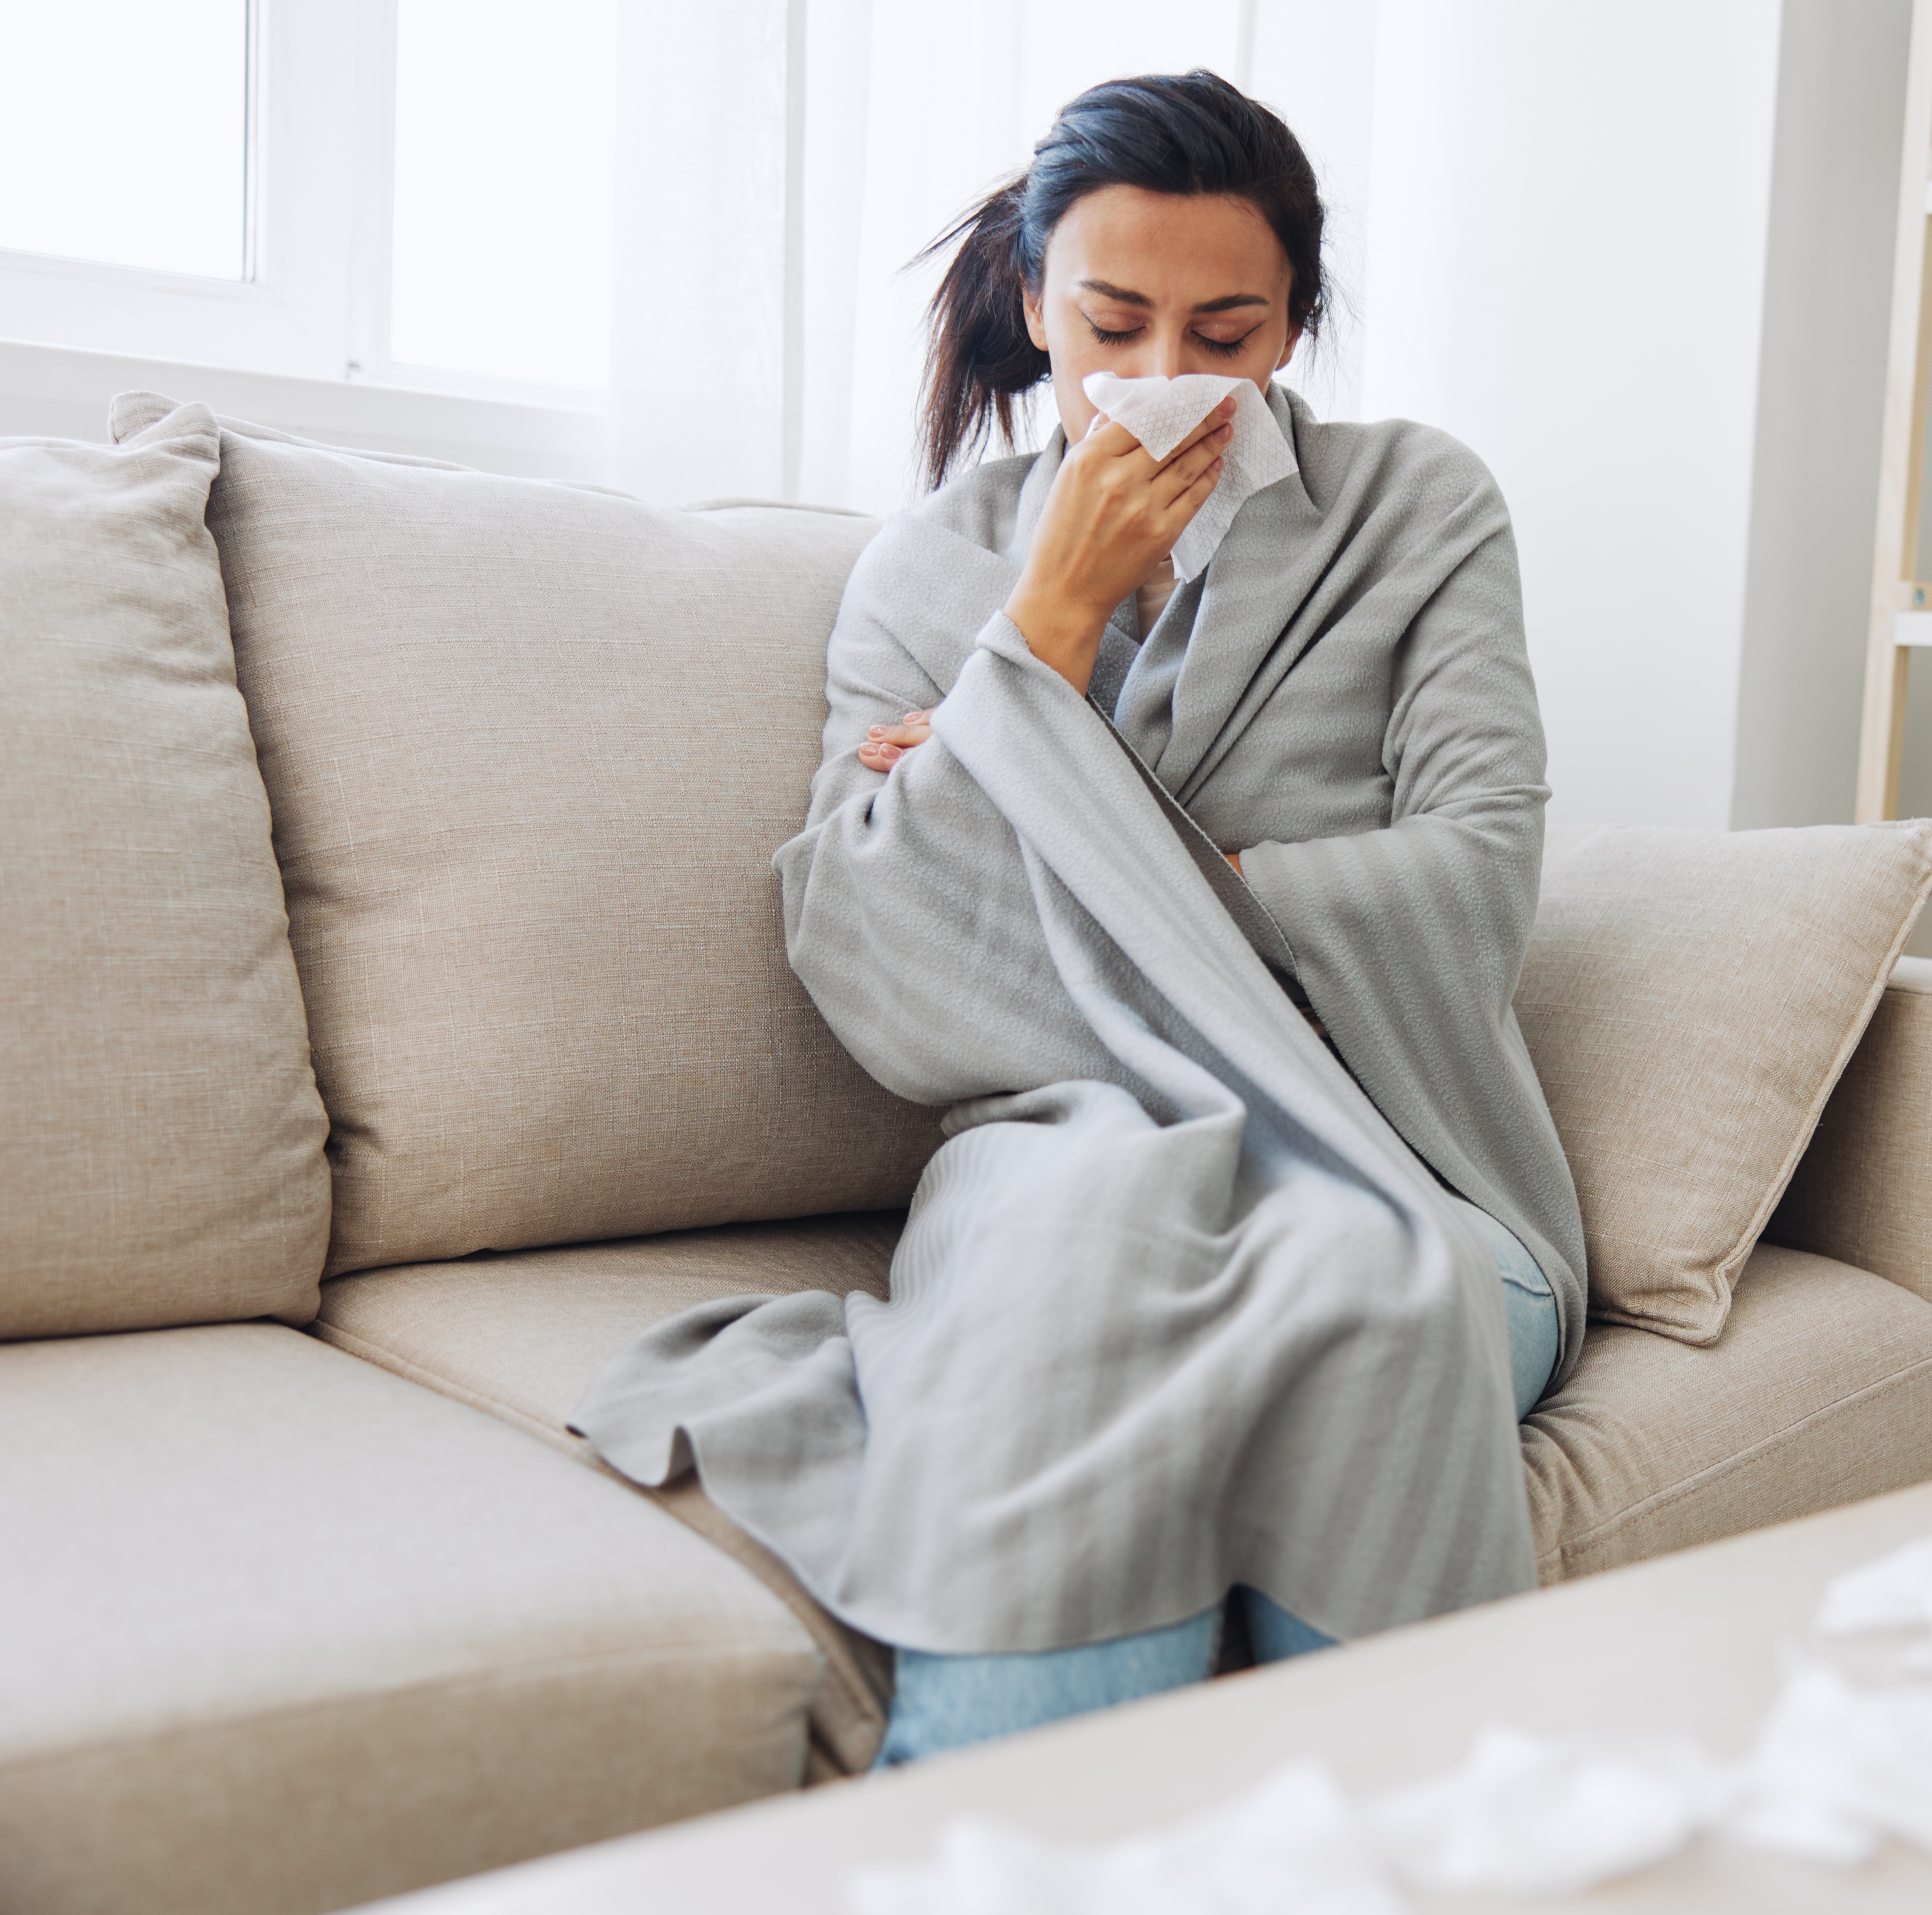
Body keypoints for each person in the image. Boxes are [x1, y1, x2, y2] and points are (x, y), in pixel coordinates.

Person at [568, 69, 1588, 1768]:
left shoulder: (1418, 509)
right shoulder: (933, 577)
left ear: (1293, 333)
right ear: (1035, 305)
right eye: (1114, 322)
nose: (1167, 380)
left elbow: (1476, 878)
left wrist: (1056, 797)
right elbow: (881, 965)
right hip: (1059, 1162)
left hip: (1400, 1158)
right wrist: (1039, 634)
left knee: (1355, 1284)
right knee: (1084, 1273)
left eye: (1229, 328)